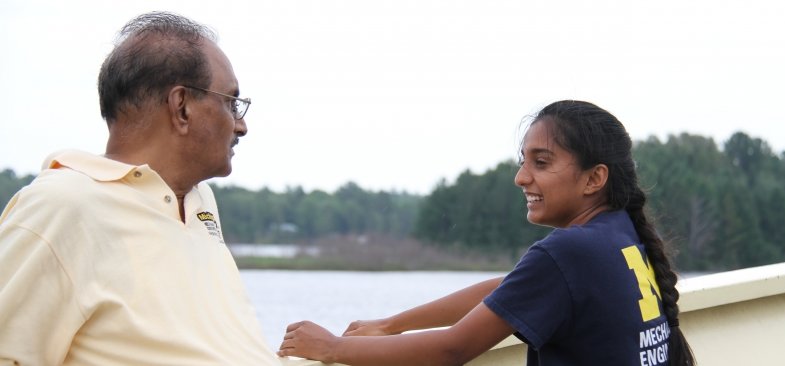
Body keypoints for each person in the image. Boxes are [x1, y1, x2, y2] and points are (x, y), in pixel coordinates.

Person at [278, 100, 695, 366]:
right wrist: (391, 324)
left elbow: (451, 350)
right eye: (523, 161)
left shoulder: (569, 250)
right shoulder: (617, 231)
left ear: (594, 179)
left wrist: (332, 348)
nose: (520, 177)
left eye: (542, 162)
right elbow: (508, 288)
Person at [0, 12, 283, 365]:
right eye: (230, 102)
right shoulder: (62, 205)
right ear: (181, 107)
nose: (241, 126)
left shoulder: (198, 202)